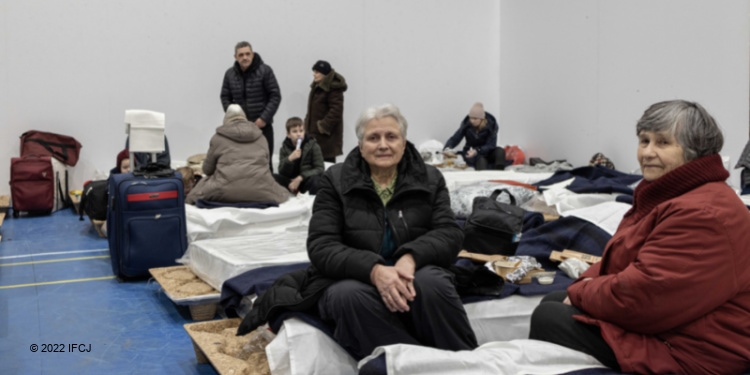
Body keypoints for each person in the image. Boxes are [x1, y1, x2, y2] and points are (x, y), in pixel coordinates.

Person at [238, 104, 478, 360]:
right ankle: (412, 365)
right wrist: (374, 271)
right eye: (373, 138)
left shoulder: (429, 179)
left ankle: (466, 363)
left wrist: (410, 258)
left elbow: (449, 233)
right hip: (352, 275)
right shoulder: (336, 180)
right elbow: (321, 245)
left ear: (404, 142)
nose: (383, 145)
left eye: (391, 137)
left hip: (414, 269)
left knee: (431, 284)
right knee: (347, 296)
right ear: (361, 146)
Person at [528, 100, 750, 374]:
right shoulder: (672, 194)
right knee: (555, 300)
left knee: (550, 316)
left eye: (663, 143)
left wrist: (580, 293)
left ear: (693, 151)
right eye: (644, 141)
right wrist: (583, 286)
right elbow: (623, 263)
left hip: (694, 352)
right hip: (675, 327)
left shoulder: (703, 214)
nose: (647, 152)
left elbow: (645, 298)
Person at [185, 104, 289, 205]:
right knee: (281, 191)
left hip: (223, 189)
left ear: (226, 120)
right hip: (260, 188)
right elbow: (265, 165)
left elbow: (207, 170)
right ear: (244, 118)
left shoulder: (217, 138)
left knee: (199, 188)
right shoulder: (261, 137)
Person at [220, 41, 281, 172]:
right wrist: (234, 117)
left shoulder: (265, 71)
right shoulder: (229, 74)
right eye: (241, 55)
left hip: (262, 128)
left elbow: (275, 96)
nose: (245, 57)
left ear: (252, 54)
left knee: (264, 164)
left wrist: (264, 118)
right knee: (242, 165)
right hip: (239, 129)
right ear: (235, 57)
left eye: (248, 54)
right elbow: (225, 97)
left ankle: (267, 192)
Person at [304, 60, 347, 163]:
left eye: (317, 72)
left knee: (326, 167)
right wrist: (306, 124)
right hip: (314, 136)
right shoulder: (317, 87)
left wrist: (323, 126)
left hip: (326, 138)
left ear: (324, 74)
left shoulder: (333, 88)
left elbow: (336, 111)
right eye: (314, 71)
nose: (314, 74)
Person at [444, 102, 505, 170]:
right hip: (473, 153)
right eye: (471, 118)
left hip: (487, 152)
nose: (472, 121)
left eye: (475, 119)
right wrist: (447, 148)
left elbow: (491, 145)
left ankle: (500, 173)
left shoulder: (491, 126)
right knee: (481, 160)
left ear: (481, 119)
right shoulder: (466, 125)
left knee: (500, 151)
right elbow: (456, 138)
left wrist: (477, 150)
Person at [274, 117, 324, 195]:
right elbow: (281, 171)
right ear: (288, 134)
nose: (299, 134)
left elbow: (320, 168)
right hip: (290, 181)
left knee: (317, 180)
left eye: (301, 131)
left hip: (305, 180)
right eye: (294, 131)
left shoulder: (313, 145)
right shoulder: (284, 148)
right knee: (272, 177)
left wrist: (301, 177)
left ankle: (311, 203)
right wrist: (289, 159)